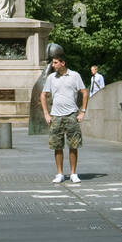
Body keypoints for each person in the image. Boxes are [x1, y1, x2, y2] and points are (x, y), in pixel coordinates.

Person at [41, 51, 88, 184]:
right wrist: (46, 113)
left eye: (55, 62)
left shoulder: (74, 76)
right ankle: (60, 173)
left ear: (63, 63)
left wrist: (82, 111)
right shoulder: (51, 78)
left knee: (73, 145)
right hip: (56, 116)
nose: (53, 65)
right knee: (57, 146)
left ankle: (73, 173)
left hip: (72, 115)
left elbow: (84, 93)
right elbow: (43, 95)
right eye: (53, 63)